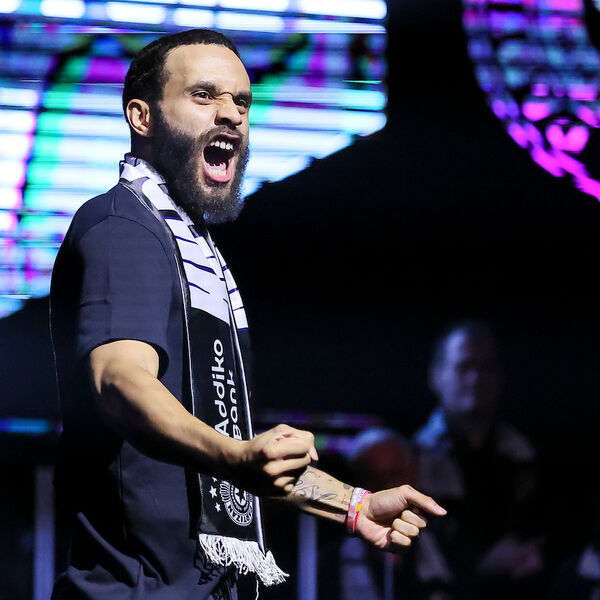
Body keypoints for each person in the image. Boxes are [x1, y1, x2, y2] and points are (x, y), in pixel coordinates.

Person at [49, 29, 446, 600]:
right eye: (204, 95)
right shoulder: (125, 227)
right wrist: (235, 456)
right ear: (142, 117)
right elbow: (119, 380)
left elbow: (231, 450)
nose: (231, 114)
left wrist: (353, 505)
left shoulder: (190, 246)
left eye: (241, 101)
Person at [413, 319, 544, 599]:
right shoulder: (411, 459)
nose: (475, 379)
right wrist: (478, 568)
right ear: (436, 376)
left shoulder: (526, 456)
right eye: (464, 367)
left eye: (487, 368)